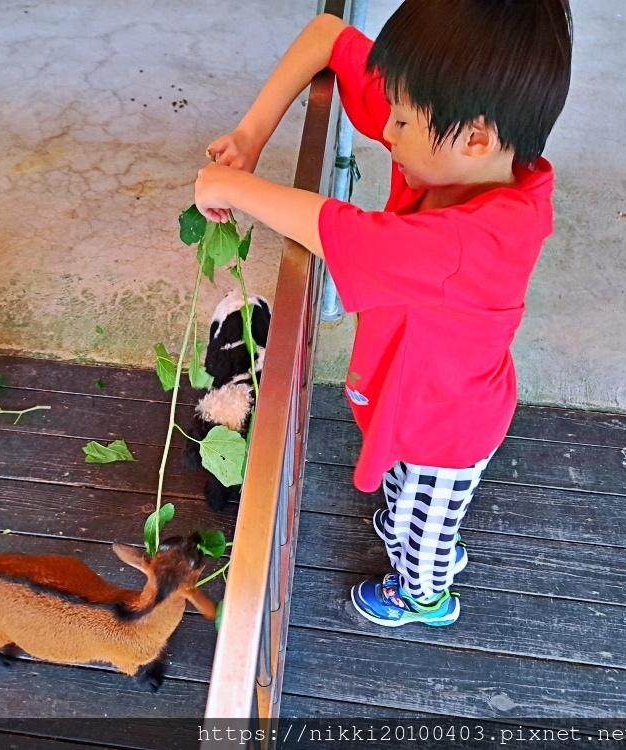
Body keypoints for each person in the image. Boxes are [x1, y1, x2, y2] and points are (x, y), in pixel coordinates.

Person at [194, 0, 573, 627]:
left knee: (419, 533)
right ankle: (420, 532)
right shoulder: (458, 143)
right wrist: (249, 136)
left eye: (399, 121)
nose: (384, 131)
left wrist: (231, 186)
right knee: (406, 503)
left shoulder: (478, 239)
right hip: (416, 394)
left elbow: (347, 233)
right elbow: (326, 35)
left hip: (444, 428)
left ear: (475, 137)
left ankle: (425, 594)